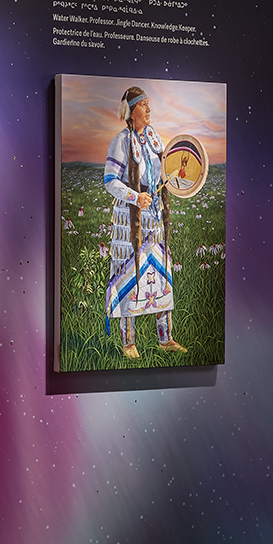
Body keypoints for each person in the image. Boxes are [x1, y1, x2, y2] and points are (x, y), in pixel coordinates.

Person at [102, 86, 184, 358]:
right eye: (144, 105)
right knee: (131, 273)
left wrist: (175, 181)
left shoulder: (155, 139)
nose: (149, 109)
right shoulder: (121, 141)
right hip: (130, 220)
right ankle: (128, 343)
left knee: (159, 273)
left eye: (149, 104)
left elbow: (165, 175)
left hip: (155, 218)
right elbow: (110, 180)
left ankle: (165, 338)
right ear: (131, 111)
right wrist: (136, 197)